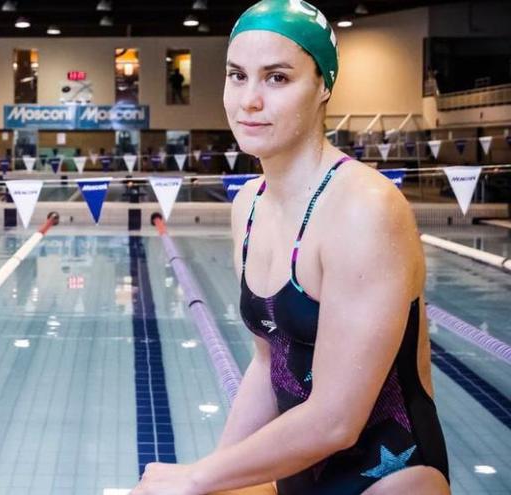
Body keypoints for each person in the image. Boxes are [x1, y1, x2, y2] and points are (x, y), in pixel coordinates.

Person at [132, 1, 450, 494]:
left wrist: (197, 478)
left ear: (323, 85)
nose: (249, 100)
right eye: (237, 76)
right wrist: (213, 475)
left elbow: (336, 420)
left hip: (388, 479)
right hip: (293, 472)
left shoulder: (365, 208)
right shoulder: (249, 204)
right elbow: (268, 365)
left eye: (277, 78)